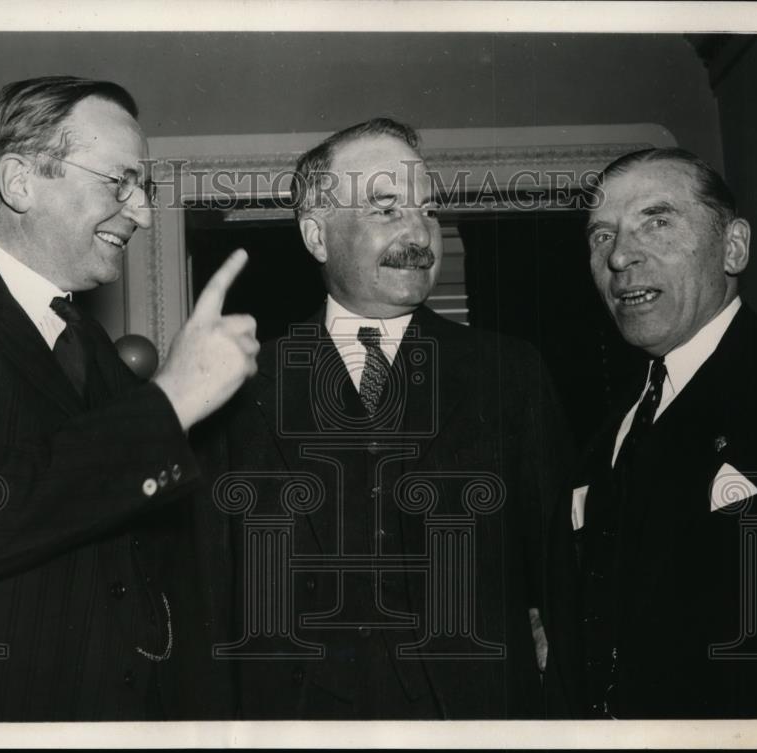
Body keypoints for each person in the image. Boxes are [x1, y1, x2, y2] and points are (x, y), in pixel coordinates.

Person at [0, 76, 258, 721]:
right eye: (118, 181)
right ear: (20, 181)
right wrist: (169, 401)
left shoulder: (88, 343)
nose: (143, 211)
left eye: (141, 188)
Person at [192, 118, 574, 719]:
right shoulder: (239, 385)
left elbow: (561, 578)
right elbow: (211, 595)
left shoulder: (511, 373)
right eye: (386, 208)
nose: (418, 232)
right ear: (317, 235)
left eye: (426, 209)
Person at [570, 147, 757, 718]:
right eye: (601, 236)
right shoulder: (611, 423)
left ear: (733, 247)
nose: (621, 256)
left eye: (656, 221)